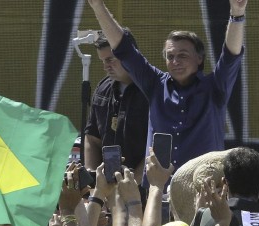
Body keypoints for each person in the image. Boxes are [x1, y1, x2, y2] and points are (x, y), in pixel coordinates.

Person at [86, 0, 246, 169]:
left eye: (182, 55)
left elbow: (231, 56)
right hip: (159, 190)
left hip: (203, 189)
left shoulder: (215, 88)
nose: (175, 61)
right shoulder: (155, 84)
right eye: (170, 56)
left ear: (199, 58)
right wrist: (98, 6)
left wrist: (237, 13)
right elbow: (123, 49)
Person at [84, 32, 149, 174]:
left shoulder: (153, 89)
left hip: (142, 187)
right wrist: (93, 177)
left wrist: (132, 185)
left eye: (110, 60)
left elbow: (156, 148)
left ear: (131, 54)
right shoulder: (103, 88)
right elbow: (92, 138)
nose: (105, 67)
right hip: (107, 187)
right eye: (103, 61)